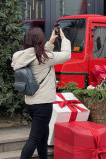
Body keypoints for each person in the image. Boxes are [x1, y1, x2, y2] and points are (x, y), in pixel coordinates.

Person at [11, 27, 71, 159]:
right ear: (40, 40)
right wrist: (64, 38)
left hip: (31, 103)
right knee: (34, 139)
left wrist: (50, 43)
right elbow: (66, 55)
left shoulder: (21, 56)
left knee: (43, 136)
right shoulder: (44, 57)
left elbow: (39, 54)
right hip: (43, 104)